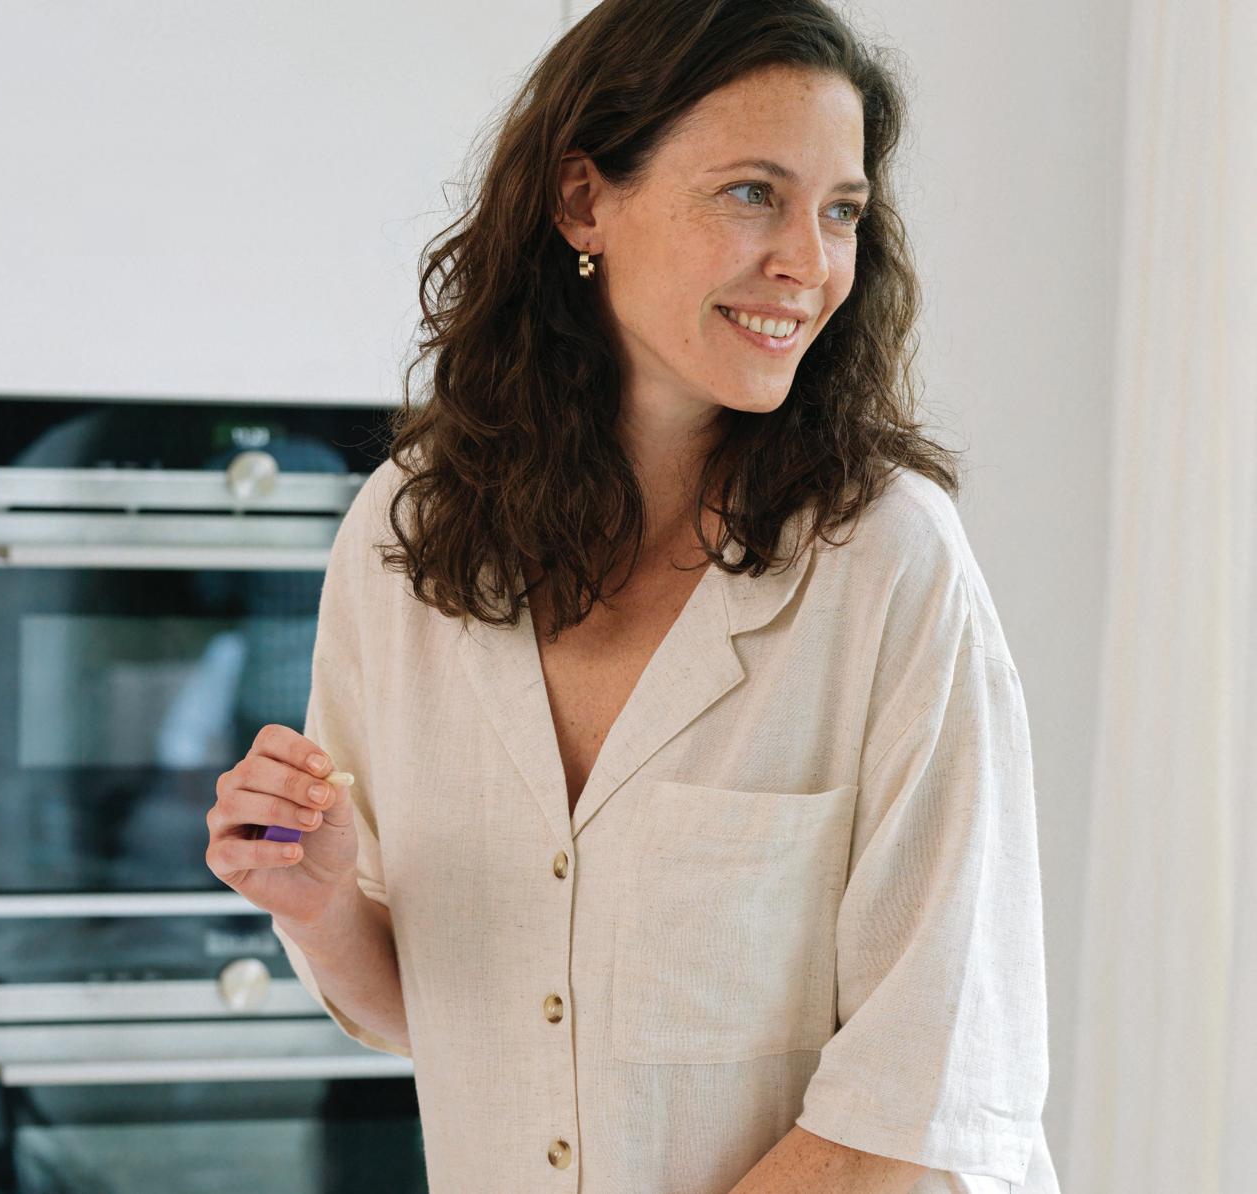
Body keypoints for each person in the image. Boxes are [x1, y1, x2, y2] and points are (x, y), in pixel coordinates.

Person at [203, 2, 1056, 1191]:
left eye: (841, 211)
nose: (809, 263)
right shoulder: (410, 542)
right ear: (582, 201)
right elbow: (453, 1021)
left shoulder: (884, 561)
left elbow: (921, 1094)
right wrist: (315, 901)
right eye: (752, 193)